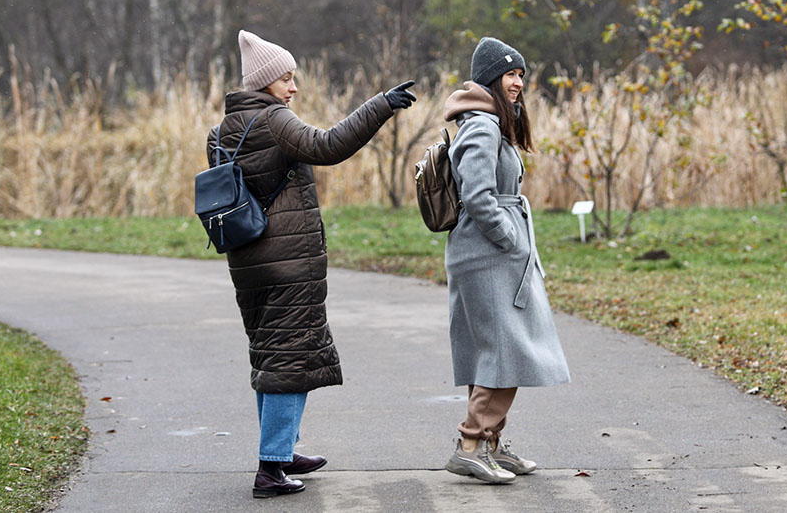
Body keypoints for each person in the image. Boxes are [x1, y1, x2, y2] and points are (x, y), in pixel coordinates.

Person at [206, 30, 417, 499]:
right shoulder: (274, 119)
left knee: (269, 355)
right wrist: (381, 104)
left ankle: (280, 447)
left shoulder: (221, 131)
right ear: (265, 83)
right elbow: (328, 145)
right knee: (290, 358)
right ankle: (271, 467)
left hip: (248, 261)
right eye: (285, 78)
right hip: (288, 262)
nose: (293, 87)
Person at [440, 36, 570, 484]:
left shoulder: (493, 121)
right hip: (487, 254)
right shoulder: (482, 125)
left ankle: (490, 442)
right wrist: (509, 238)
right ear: (490, 77)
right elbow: (478, 194)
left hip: (492, 253)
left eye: (520, 75)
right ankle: (471, 443)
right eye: (510, 74)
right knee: (504, 350)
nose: (517, 83)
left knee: (500, 349)